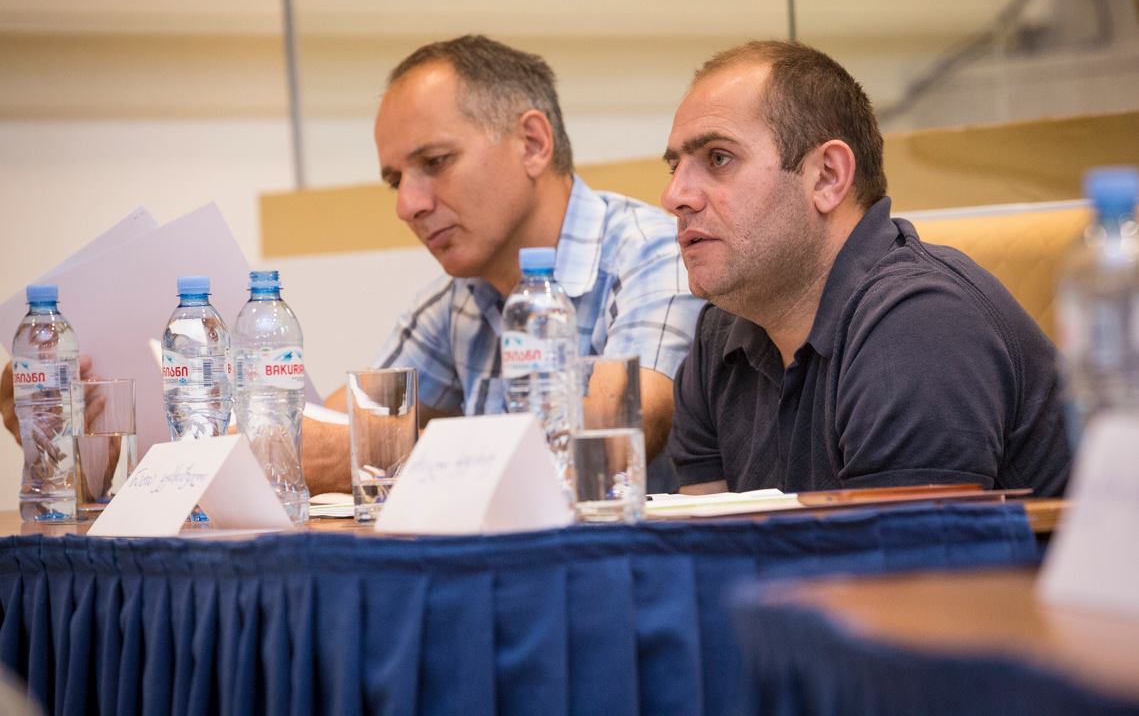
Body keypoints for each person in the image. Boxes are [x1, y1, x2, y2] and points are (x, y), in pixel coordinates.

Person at [661, 40, 1071, 497]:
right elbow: (701, 536)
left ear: (827, 176)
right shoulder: (719, 336)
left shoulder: (919, 324)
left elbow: (903, 543)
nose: (674, 196)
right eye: (675, 167)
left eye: (719, 158)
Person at [302, 35, 703, 494]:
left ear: (532, 143)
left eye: (435, 162)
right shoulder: (459, 299)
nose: (407, 206)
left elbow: (612, 435)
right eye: (396, 182)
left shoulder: (652, 254)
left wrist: (373, 453)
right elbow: (329, 430)